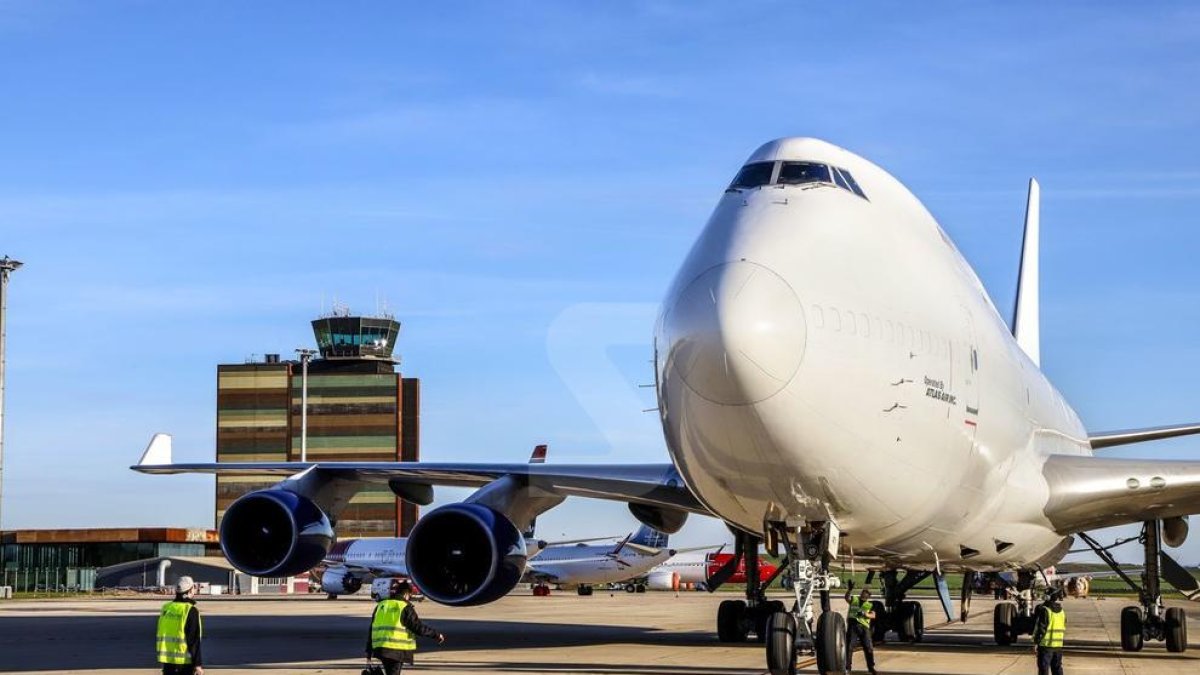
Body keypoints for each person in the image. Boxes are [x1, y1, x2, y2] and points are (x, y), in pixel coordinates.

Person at [366, 579, 445, 674]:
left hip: (380, 649)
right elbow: (417, 627)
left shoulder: (381, 605)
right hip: (395, 649)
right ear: (406, 594)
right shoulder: (404, 607)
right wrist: (436, 635)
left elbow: (372, 629)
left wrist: (369, 652)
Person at [156, 576, 203, 675]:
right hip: (184, 662)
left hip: (167, 661)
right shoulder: (190, 610)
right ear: (190, 591)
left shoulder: (166, 608)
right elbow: (193, 640)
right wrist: (197, 664)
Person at [845, 581, 878, 675]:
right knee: (849, 647)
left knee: (868, 648)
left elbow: (873, 615)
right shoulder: (854, 599)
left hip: (864, 627)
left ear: (868, 596)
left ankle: (871, 667)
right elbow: (847, 598)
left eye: (866, 592)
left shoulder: (870, 605)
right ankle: (848, 667)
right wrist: (849, 590)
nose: (864, 593)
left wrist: (865, 614)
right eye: (863, 592)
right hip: (853, 625)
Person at [1032, 588, 1066, 675]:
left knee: (1044, 669)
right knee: (1057, 668)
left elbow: (1040, 628)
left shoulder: (1045, 610)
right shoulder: (1062, 611)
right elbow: (1064, 624)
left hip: (1045, 646)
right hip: (1058, 646)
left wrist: (1036, 642)